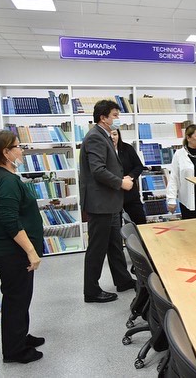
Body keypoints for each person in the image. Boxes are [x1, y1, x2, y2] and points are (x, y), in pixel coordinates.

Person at [0, 130, 44, 363]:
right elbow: (10, 221)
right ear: (5, 152)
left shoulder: (3, 175)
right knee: (16, 300)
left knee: (20, 298)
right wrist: (31, 251)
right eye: (18, 146)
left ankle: (19, 337)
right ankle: (15, 351)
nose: (21, 150)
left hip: (11, 252)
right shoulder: (6, 181)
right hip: (12, 254)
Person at [80, 100, 135, 303]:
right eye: (114, 115)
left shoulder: (104, 135)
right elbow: (98, 170)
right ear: (103, 117)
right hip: (100, 204)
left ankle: (123, 280)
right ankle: (91, 291)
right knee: (97, 248)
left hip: (109, 202)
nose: (117, 119)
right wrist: (121, 183)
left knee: (114, 244)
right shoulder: (95, 137)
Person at [111, 129, 147, 225]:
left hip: (130, 193)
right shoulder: (102, 151)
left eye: (115, 134)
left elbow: (139, 166)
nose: (112, 137)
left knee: (139, 223)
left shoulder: (127, 148)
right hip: (112, 195)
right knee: (115, 227)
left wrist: (131, 176)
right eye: (110, 135)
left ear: (119, 135)